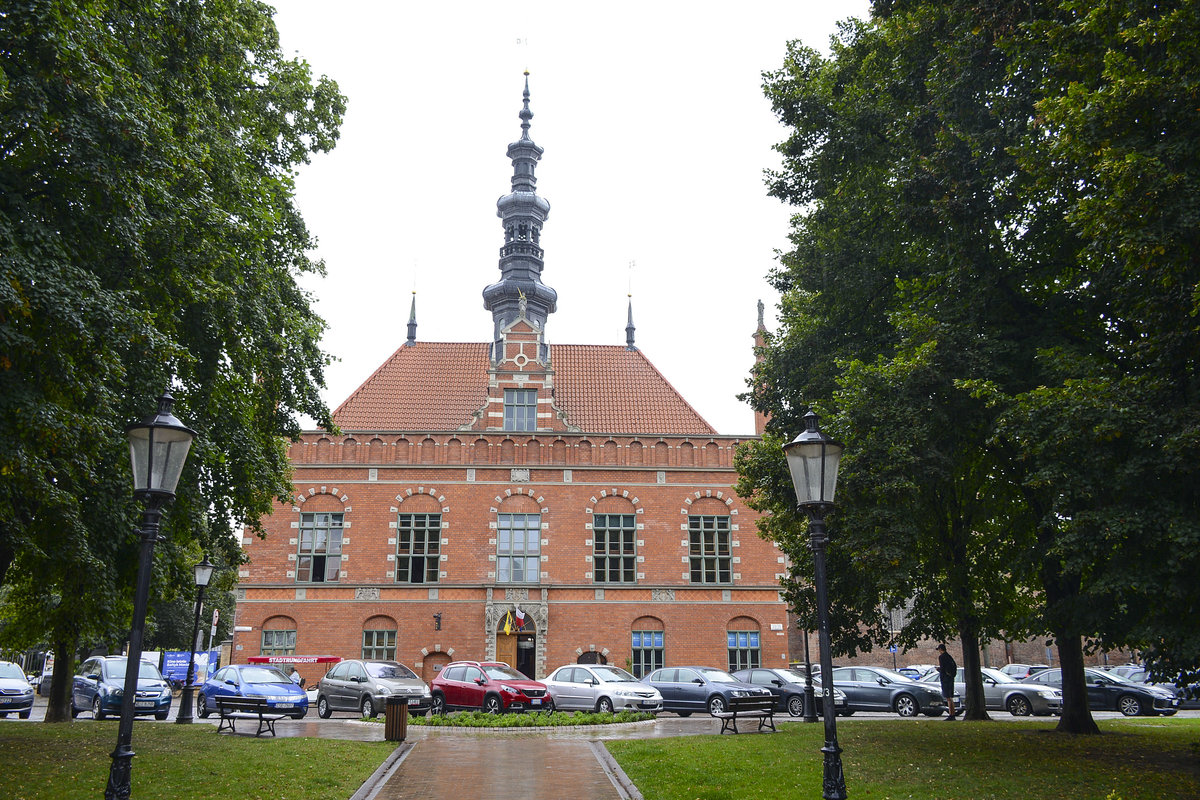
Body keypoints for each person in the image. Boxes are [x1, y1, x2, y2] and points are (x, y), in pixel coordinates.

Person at [936, 644, 957, 720]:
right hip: (950, 678)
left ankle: (951, 715)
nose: (939, 651)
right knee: (950, 697)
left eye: (939, 650)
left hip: (945, 680)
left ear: (941, 649)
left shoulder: (942, 657)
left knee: (948, 697)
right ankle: (952, 714)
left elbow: (943, 668)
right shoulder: (949, 657)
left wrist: (939, 669)